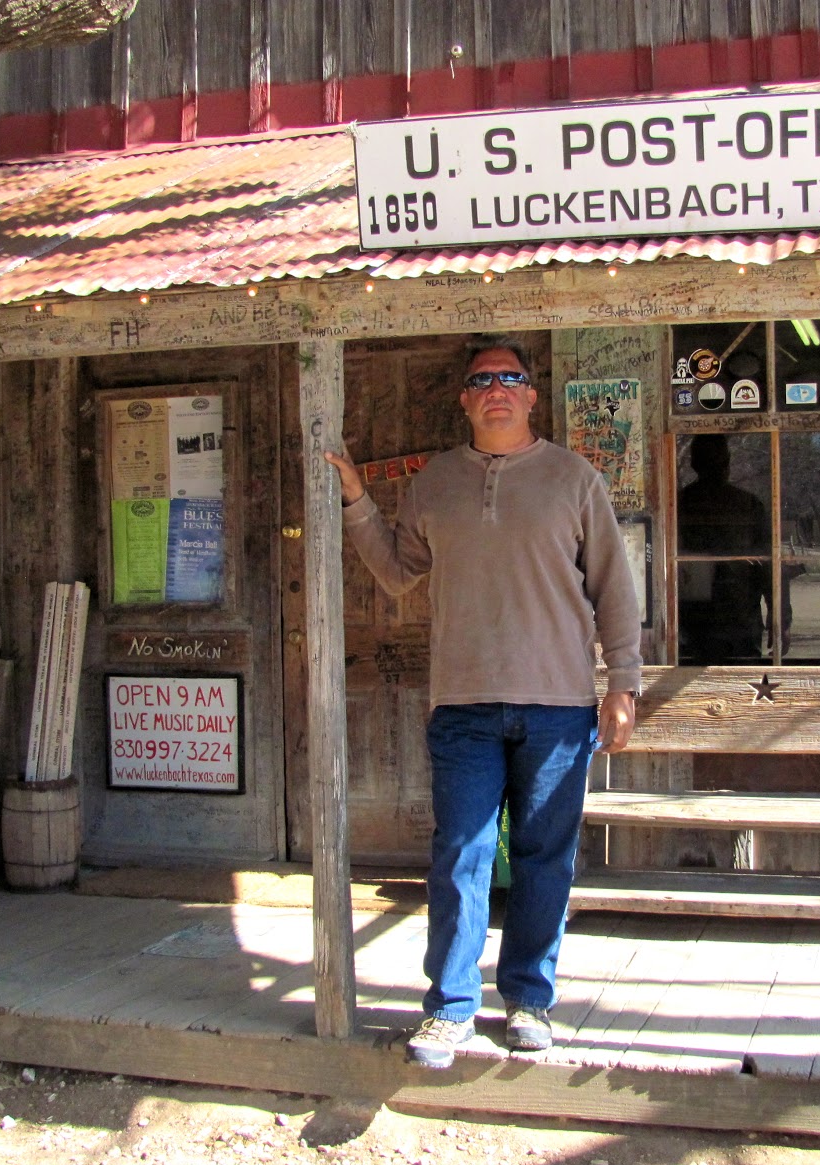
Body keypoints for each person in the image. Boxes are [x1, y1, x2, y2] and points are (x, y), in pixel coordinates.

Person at [324, 334, 642, 1070]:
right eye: (481, 380)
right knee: (458, 857)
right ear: (465, 399)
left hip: (559, 706)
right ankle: (450, 1009)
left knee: (544, 859)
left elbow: (614, 592)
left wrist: (621, 684)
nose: (497, 388)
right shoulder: (433, 482)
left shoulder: (575, 479)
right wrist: (356, 501)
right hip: (463, 704)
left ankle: (529, 1001)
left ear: (532, 394)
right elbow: (400, 572)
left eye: (511, 377)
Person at [675, 434, 774, 662]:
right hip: (736, 619)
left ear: (693, 463)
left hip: (694, 621)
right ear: (727, 462)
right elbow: (768, 566)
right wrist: (780, 616)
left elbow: (767, 563)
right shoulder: (747, 505)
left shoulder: (679, 504)